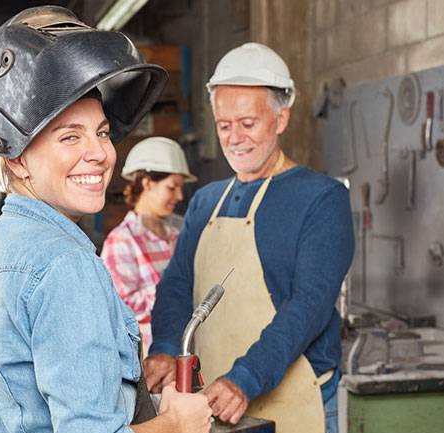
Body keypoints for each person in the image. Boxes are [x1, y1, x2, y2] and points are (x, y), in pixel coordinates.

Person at [0, 7, 212, 433]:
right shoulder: (66, 265)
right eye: (70, 136)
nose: (100, 153)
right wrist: (176, 424)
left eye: (102, 132)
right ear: (16, 159)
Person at [144, 42, 354, 433]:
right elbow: (177, 285)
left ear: (281, 118)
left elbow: (308, 305)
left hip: (297, 400)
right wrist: (166, 348)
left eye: (248, 123)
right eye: (224, 125)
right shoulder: (205, 201)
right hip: (213, 400)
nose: (235, 137)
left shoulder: (322, 199)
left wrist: (246, 377)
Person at [101, 136, 197, 356]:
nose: (179, 196)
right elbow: (123, 307)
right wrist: (178, 290)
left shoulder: (179, 233)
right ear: (147, 183)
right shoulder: (122, 241)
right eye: (172, 187)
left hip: (190, 351)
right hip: (152, 359)